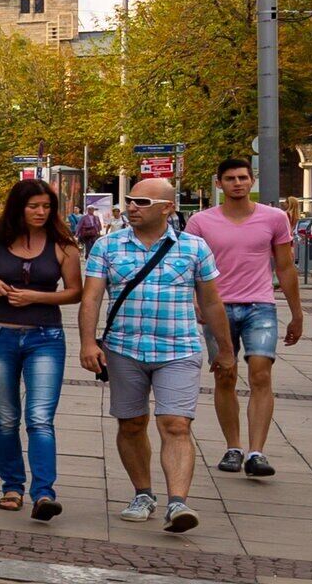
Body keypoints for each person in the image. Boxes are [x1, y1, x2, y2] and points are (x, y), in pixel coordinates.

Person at [82, 176, 232, 533]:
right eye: (130, 200)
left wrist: (225, 349)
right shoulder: (107, 246)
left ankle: (178, 503)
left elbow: (212, 302)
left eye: (142, 202)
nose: (132, 207)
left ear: (168, 208)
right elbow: (92, 297)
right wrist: (88, 343)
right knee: (131, 423)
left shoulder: (194, 248)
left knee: (176, 424)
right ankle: (143, 494)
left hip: (178, 349)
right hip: (124, 349)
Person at [0, 175, 78, 521]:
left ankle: (44, 494)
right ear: (18, 208)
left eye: (47, 206)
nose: (41, 212)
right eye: (34, 206)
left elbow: (75, 291)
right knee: (7, 415)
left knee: (40, 418)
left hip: (45, 338)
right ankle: (12, 486)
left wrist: (35, 297)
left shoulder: (63, 244)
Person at [187, 160, 301, 480]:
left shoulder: (274, 218)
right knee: (225, 375)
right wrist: (194, 300)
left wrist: (297, 313)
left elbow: (285, 267)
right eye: (229, 178)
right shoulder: (200, 222)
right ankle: (233, 447)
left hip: (260, 306)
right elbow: (188, 265)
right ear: (219, 183)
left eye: (242, 177)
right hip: (217, 308)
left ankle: (256, 452)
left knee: (261, 374)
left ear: (252, 181)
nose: (237, 183)